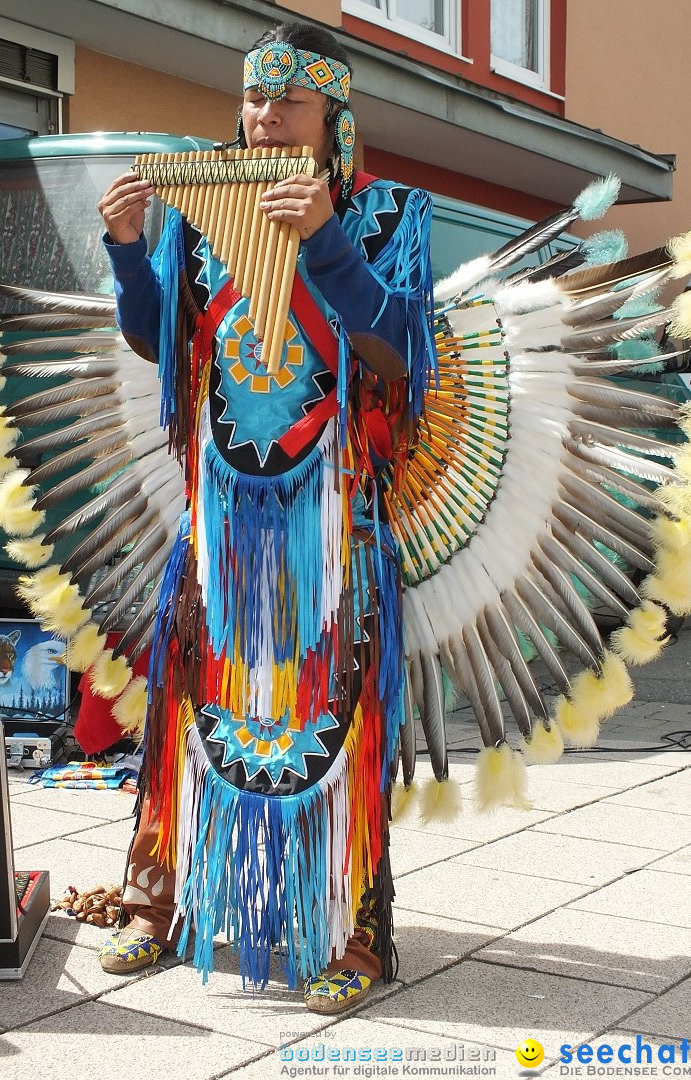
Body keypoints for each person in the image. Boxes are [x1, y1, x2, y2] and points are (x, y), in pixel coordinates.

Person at [96, 20, 436, 1014]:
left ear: (334, 119)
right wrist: (128, 256)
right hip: (222, 520)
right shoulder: (205, 214)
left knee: (335, 723)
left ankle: (356, 931)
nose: (263, 117)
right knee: (191, 713)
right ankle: (160, 906)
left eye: (287, 102)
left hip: (335, 525)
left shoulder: (390, 215)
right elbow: (164, 339)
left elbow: (394, 357)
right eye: (253, 99)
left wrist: (327, 242)